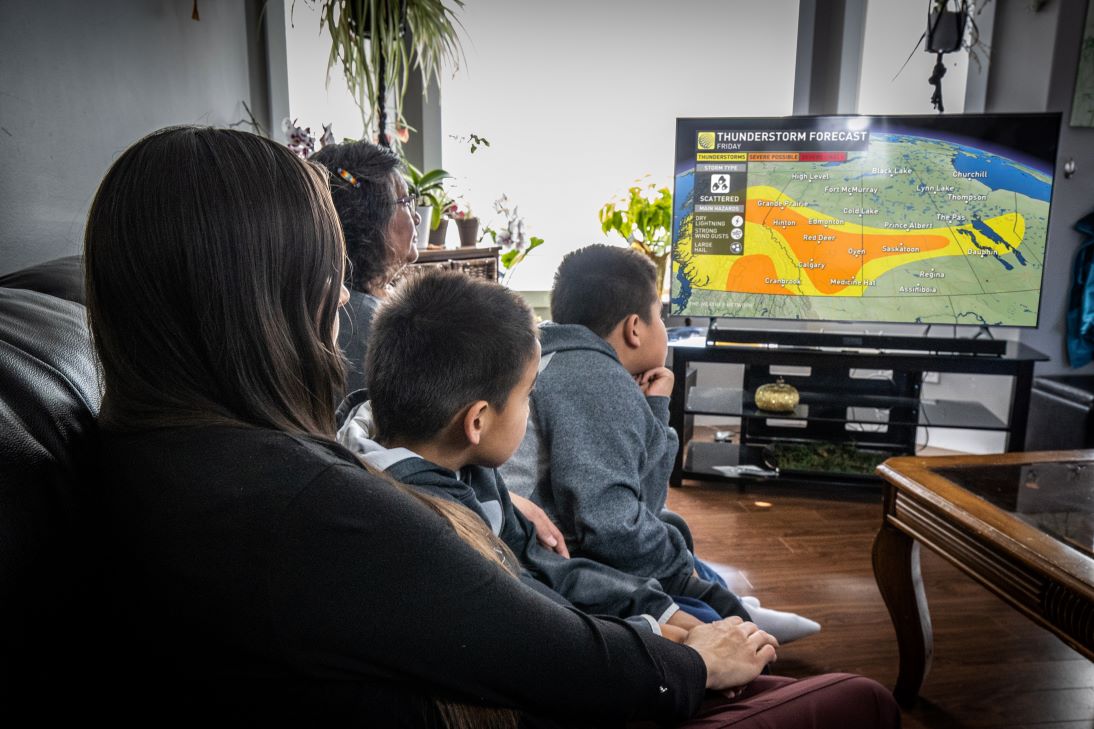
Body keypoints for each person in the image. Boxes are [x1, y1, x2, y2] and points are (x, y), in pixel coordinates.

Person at [81, 126, 901, 727]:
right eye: (323, 279)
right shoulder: (307, 504)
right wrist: (689, 659)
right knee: (858, 700)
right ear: (266, 301)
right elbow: (551, 652)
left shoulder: (138, 456)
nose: (336, 303)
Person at [338, 269, 699, 640]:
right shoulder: (422, 524)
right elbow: (536, 617)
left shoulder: (462, 462)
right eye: (527, 395)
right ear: (477, 421)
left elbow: (542, 564)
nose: (529, 409)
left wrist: (657, 607)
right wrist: (670, 640)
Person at [500, 244, 820, 644]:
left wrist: (652, 406)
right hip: (543, 560)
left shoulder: (555, 352)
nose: (665, 329)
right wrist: (684, 575)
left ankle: (731, 601)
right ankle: (734, 615)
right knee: (674, 550)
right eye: (662, 317)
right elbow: (617, 525)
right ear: (635, 328)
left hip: (534, 535)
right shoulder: (595, 379)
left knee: (671, 532)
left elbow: (632, 498)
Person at [310, 141, 419, 395]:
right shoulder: (366, 321)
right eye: (404, 202)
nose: (417, 216)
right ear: (368, 219)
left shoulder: (356, 303)